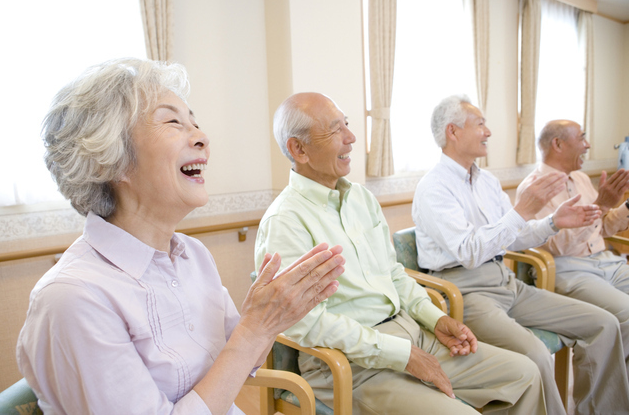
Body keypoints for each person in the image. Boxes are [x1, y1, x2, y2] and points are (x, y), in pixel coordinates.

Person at [16, 58, 346, 415]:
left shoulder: (193, 255)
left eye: (195, 122)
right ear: (109, 159)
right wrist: (254, 330)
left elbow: (241, 360)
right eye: (173, 121)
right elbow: (243, 346)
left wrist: (268, 318)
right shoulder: (72, 299)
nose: (202, 137)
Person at [255, 92, 549, 415]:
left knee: (526, 375)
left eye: (347, 126)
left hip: (410, 333)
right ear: (299, 149)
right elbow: (307, 324)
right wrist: (401, 354)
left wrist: (435, 319)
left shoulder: (361, 199)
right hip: (347, 365)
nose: (351, 139)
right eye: (335, 130)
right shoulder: (285, 220)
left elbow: (394, 275)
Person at [412, 94, 629, 415]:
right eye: (480, 124)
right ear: (453, 132)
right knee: (535, 355)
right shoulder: (434, 188)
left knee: (605, 324)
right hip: (465, 291)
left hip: (507, 281)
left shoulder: (486, 180)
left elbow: (514, 237)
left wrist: (553, 222)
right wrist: (523, 210)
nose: (488, 131)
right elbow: (469, 251)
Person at [517, 119, 629, 366]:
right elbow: (559, 246)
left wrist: (623, 206)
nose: (587, 145)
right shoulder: (534, 188)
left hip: (604, 262)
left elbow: (603, 229)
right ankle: (606, 403)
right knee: (626, 314)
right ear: (557, 144)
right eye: (581, 138)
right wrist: (601, 205)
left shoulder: (581, 179)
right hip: (569, 270)